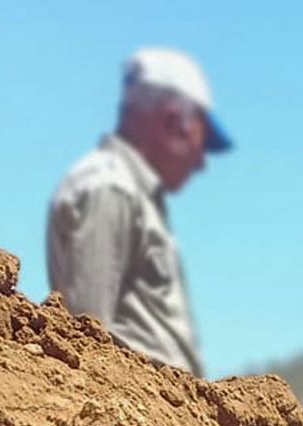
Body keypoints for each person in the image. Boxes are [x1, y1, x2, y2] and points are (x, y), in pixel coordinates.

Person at [46, 49, 232, 378]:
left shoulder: (129, 192)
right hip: (131, 417)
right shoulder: (111, 188)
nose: (201, 163)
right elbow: (84, 340)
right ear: (171, 121)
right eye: (198, 143)